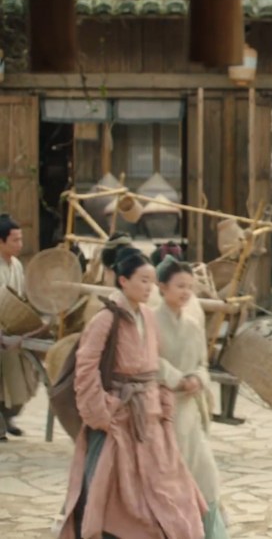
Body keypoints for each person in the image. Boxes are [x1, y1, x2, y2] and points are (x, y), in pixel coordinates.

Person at [59, 247, 206, 539]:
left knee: (164, 488)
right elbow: (85, 367)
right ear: (123, 281)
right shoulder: (105, 318)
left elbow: (154, 365)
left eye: (151, 281)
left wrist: (162, 403)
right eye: (143, 281)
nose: (149, 288)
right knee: (110, 489)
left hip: (148, 415)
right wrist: (101, 412)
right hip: (117, 416)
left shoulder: (148, 317)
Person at [155, 257, 228, 538]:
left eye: (189, 286)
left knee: (206, 476)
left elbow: (202, 364)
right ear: (162, 287)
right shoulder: (150, 322)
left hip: (190, 410)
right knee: (168, 480)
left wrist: (197, 378)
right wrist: (176, 378)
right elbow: (147, 360)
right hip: (161, 410)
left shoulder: (193, 324)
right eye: (179, 286)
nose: (186, 292)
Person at [0, 214, 37, 440]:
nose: (20, 244)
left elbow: (21, 297)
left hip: (12, 328)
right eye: (15, 240)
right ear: (1, 242)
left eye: (21, 239)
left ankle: (8, 416)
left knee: (23, 376)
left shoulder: (16, 265)